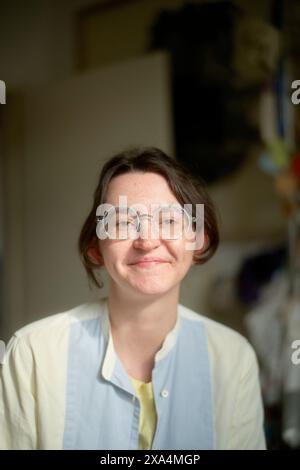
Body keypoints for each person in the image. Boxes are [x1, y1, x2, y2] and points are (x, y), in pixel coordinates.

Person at [0, 147, 266, 450]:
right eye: (124, 223)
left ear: (197, 240)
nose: (147, 241)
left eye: (168, 221)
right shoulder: (34, 355)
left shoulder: (233, 358)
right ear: (96, 248)